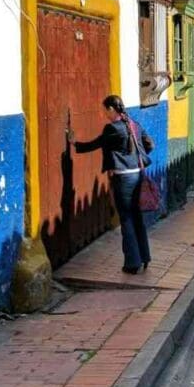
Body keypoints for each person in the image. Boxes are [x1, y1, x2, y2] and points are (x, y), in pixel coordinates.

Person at [69, 95, 155, 274]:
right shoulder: (133, 124)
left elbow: (96, 144)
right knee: (136, 216)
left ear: (111, 109)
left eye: (105, 110)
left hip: (123, 178)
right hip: (138, 174)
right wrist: (133, 158)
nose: (104, 114)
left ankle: (132, 263)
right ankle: (144, 257)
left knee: (126, 218)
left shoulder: (112, 128)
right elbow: (149, 145)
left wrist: (74, 143)